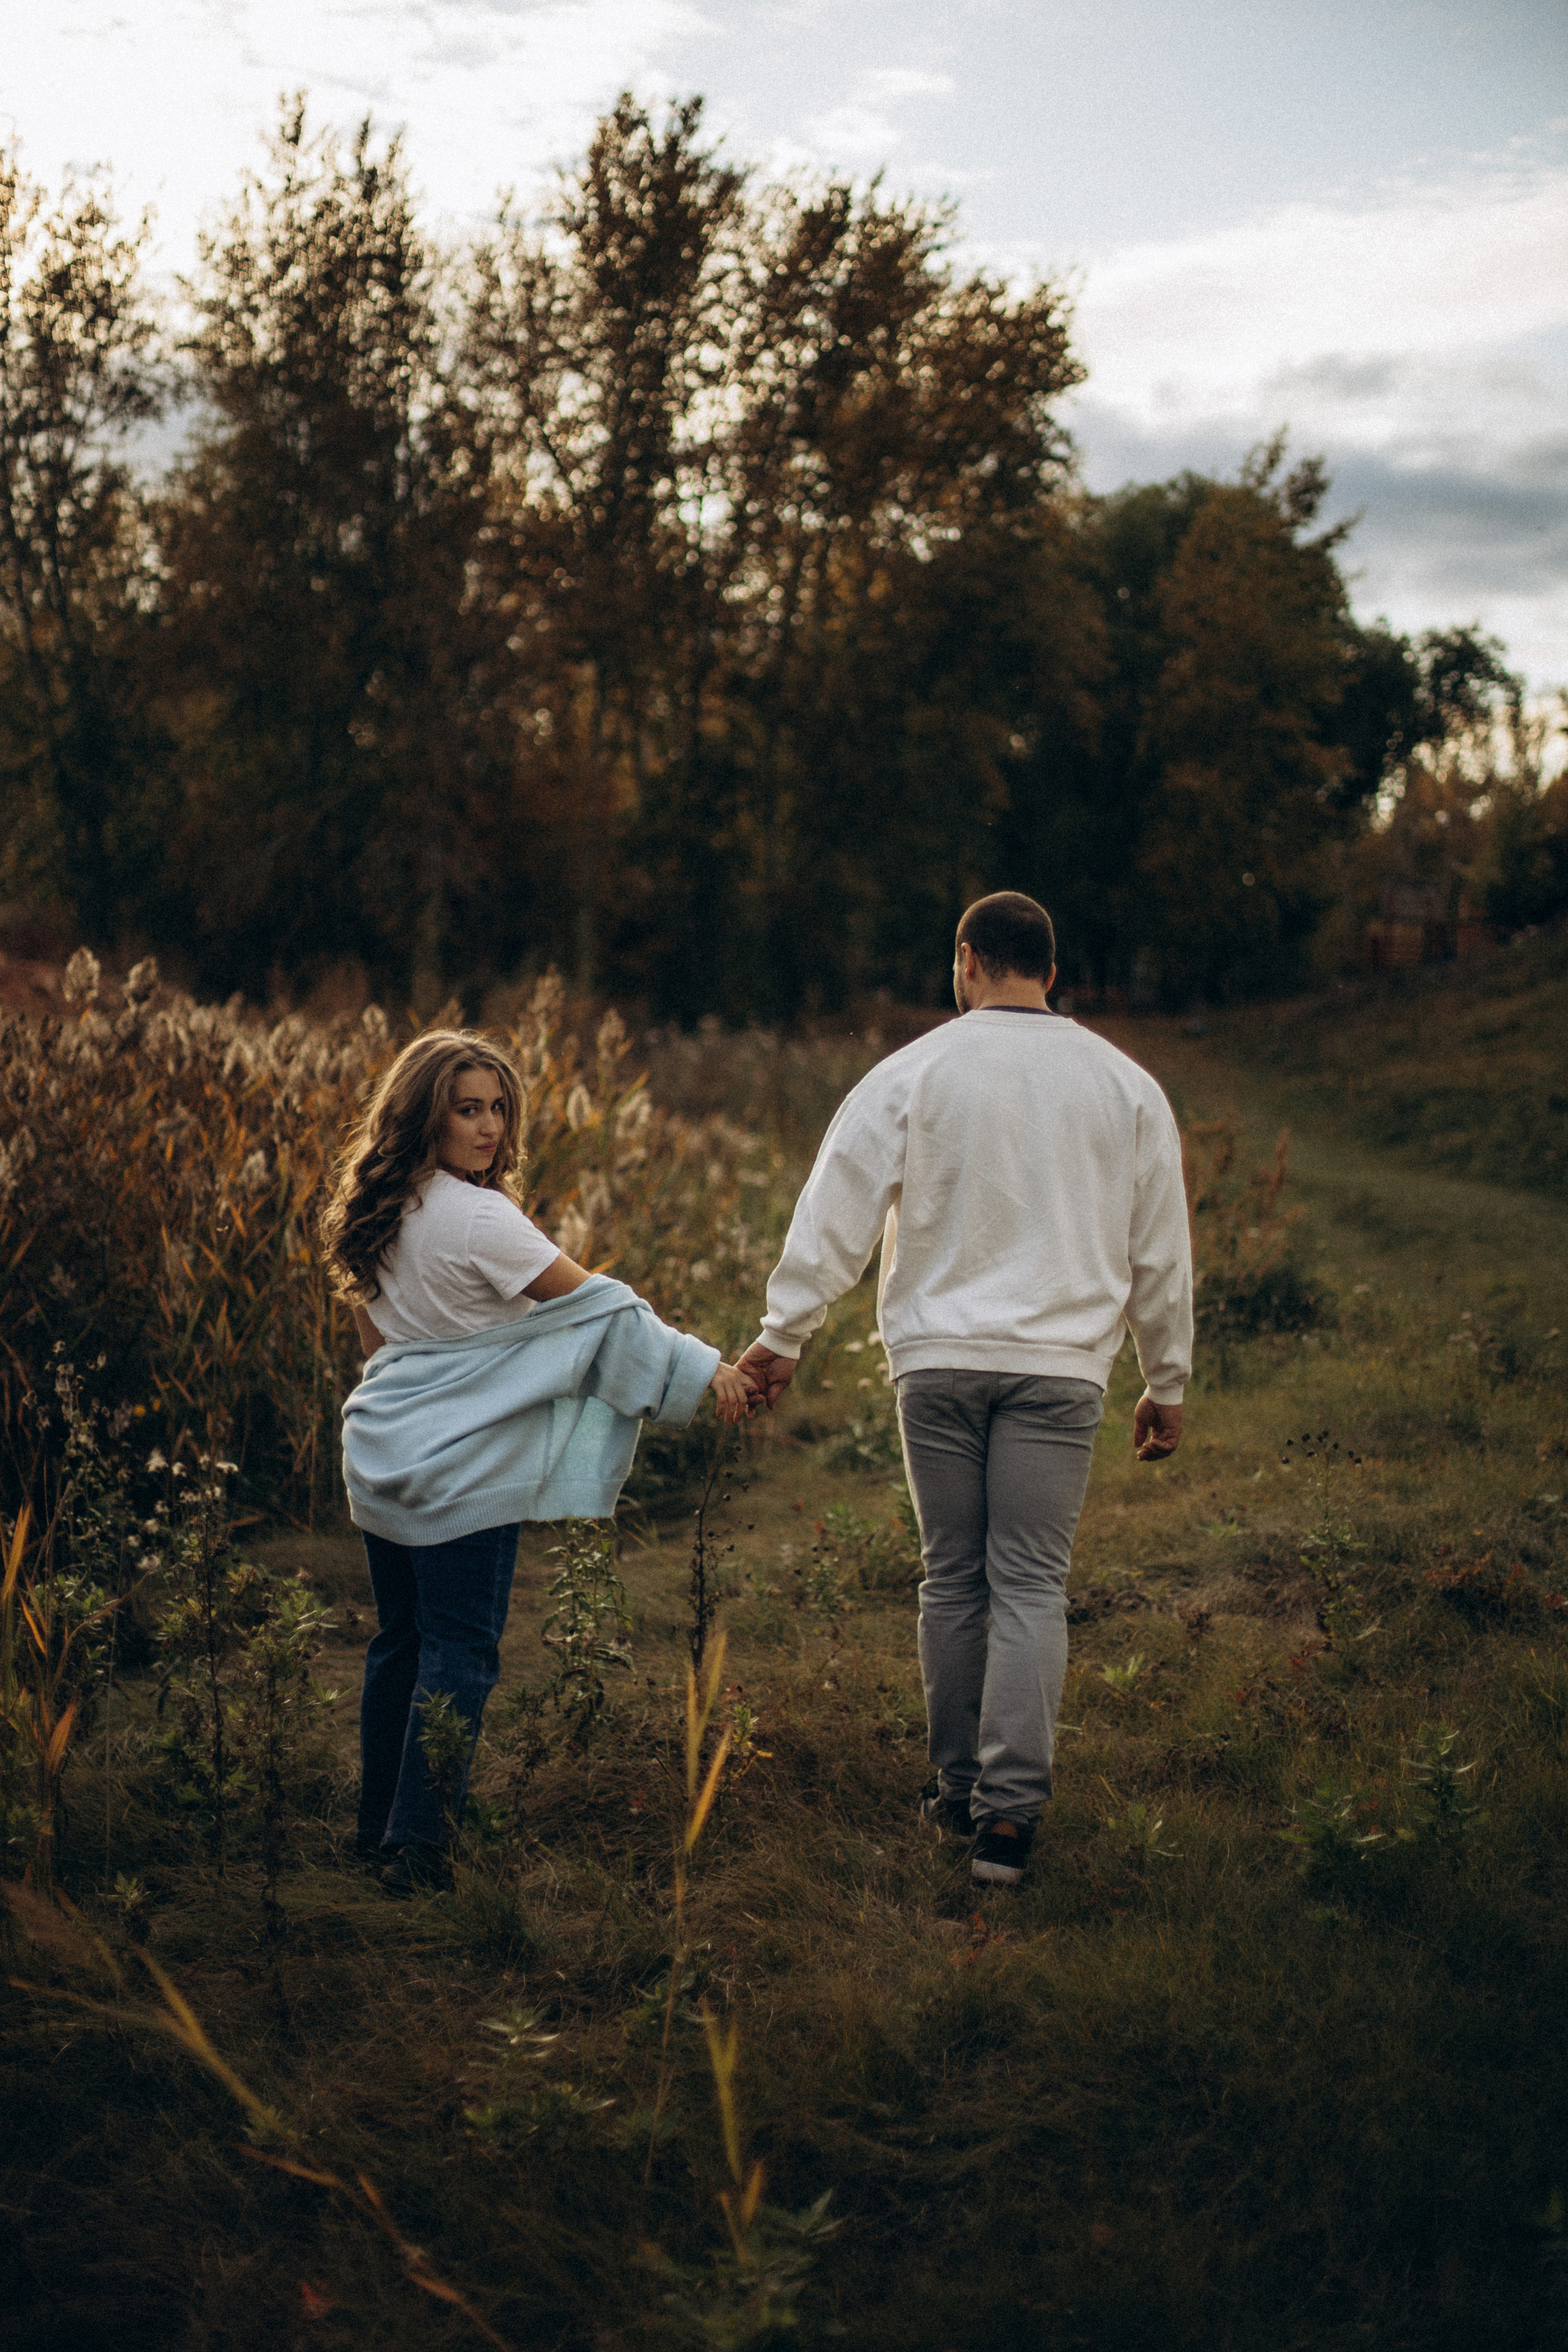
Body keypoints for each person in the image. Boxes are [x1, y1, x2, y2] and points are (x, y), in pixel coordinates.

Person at [736, 893, 1192, 1889]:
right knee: (1029, 1581)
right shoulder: (1126, 1087)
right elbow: (1159, 1248)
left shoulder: (913, 1073)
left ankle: (952, 1792)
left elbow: (836, 1211)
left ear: (968, 961)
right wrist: (1168, 1378)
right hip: (1062, 1371)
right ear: (1053, 974)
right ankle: (1010, 1822)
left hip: (938, 1363)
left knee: (953, 1576)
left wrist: (784, 1336)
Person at [323, 1029, 749, 1892]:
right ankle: (419, 1852)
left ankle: (376, 1833)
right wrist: (712, 1371)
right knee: (460, 1652)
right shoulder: (482, 1217)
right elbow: (606, 1310)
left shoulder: (373, 1211)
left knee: (399, 1644)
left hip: (380, 1454)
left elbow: (380, 1350)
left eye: (498, 1109)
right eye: (467, 1109)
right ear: (424, 1115)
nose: (488, 1128)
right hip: (463, 1471)